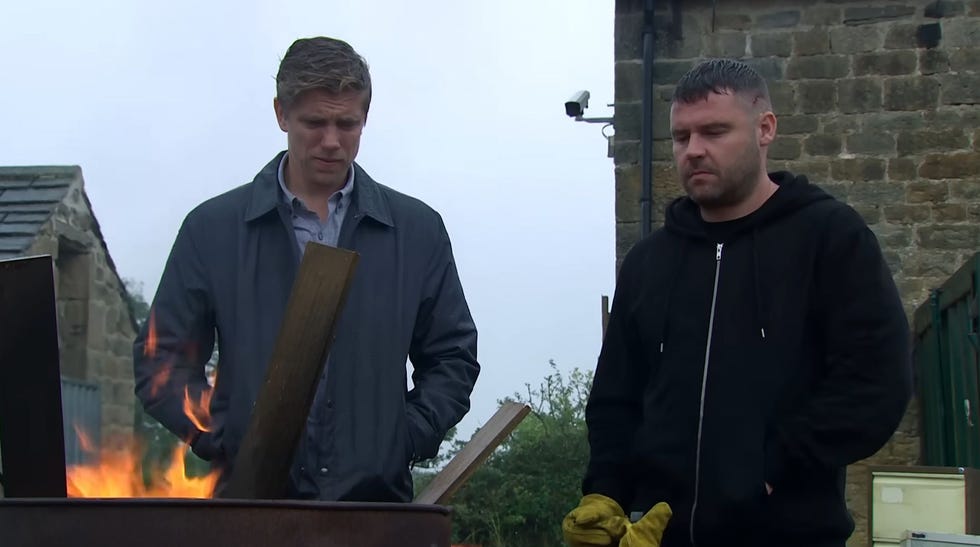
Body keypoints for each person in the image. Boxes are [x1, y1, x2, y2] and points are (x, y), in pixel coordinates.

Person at [563, 58, 911, 547]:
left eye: (714, 132)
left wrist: (773, 468)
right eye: (682, 137)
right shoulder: (649, 262)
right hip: (657, 535)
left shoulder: (830, 239)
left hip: (790, 534)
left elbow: (876, 382)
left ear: (764, 128)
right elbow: (615, 398)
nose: (694, 151)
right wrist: (605, 495)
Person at [133, 36, 480, 502]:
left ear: (365, 119)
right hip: (247, 514)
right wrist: (226, 435)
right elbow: (161, 359)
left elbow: (453, 357)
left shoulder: (417, 232)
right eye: (314, 122)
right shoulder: (212, 229)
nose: (332, 141)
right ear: (281, 114)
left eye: (347, 123)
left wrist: (404, 437)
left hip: (375, 513)